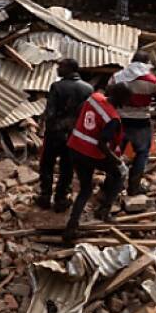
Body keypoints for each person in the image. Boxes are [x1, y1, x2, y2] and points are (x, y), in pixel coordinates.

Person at [62, 84, 133, 243]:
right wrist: (117, 161)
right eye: (128, 99)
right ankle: (105, 210)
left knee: (85, 189)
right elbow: (102, 144)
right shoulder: (112, 118)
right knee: (119, 174)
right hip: (92, 154)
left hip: (75, 147)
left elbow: (78, 113)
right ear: (122, 98)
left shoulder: (94, 98)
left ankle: (71, 227)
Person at [112, 52, 156, 196]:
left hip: (119, 120)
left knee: (115, 153)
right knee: (141, 154)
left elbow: (109, 97)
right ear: (146, 63)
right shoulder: (152, 81)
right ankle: (134, 188)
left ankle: (113, 186)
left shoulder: (117, 77)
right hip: (141, 122)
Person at [38, 58, 92, 212]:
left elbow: (50, 113)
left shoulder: (57, 86)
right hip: (74, 134)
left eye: (60, 66)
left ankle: (45, 196)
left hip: (55, 132)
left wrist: (46, 128)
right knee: (67, 167)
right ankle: (61, 199)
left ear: (69, 68)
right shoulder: (88, 89)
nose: (57, 69)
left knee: (47, 164)